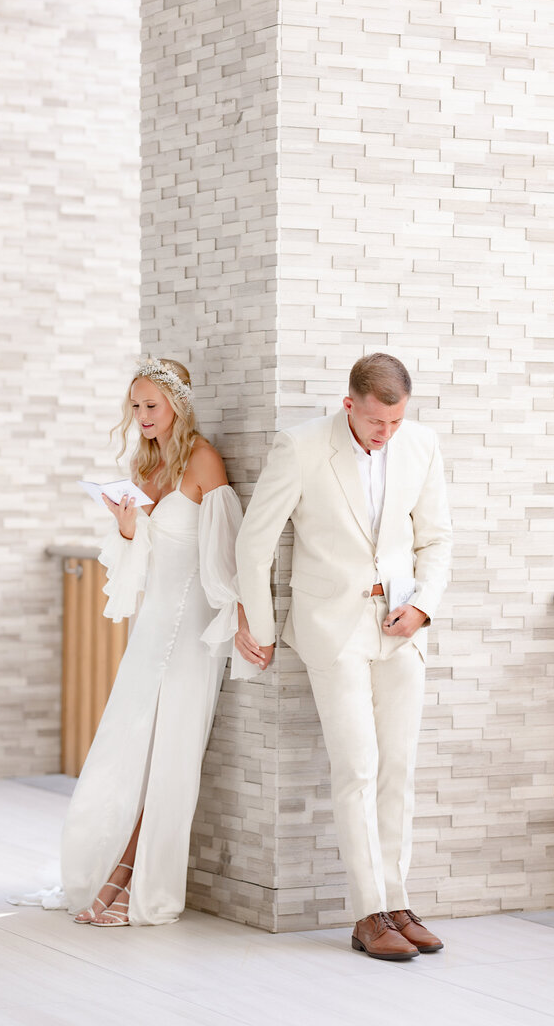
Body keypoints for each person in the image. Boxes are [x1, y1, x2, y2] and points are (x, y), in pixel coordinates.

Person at [234, 353, 452, 961]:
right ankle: (368, 912)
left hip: (402, 630)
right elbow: (255, 542)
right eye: (378, 421)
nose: (387, 434)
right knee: (356, 768)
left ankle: (397, 900)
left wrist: (424, 608)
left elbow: (436, 539)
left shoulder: (422, 447)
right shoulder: (300, 447)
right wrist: (261, 624)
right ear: (349, 402)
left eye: (398, 421)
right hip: (334, 631)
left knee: (398, 770)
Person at [61, 357, 259, 927]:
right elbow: (138, 564)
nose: (142, 416)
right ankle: (110, 868)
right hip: (152, 628)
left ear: (177, 403)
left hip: (193, 630)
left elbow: (230, 553)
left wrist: (245, 619)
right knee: (130, 749)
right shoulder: (143, 463)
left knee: (168, 757)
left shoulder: (204, 460)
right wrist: (127, 527)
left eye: (151, 405)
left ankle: (133, 881)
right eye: (136, 407)